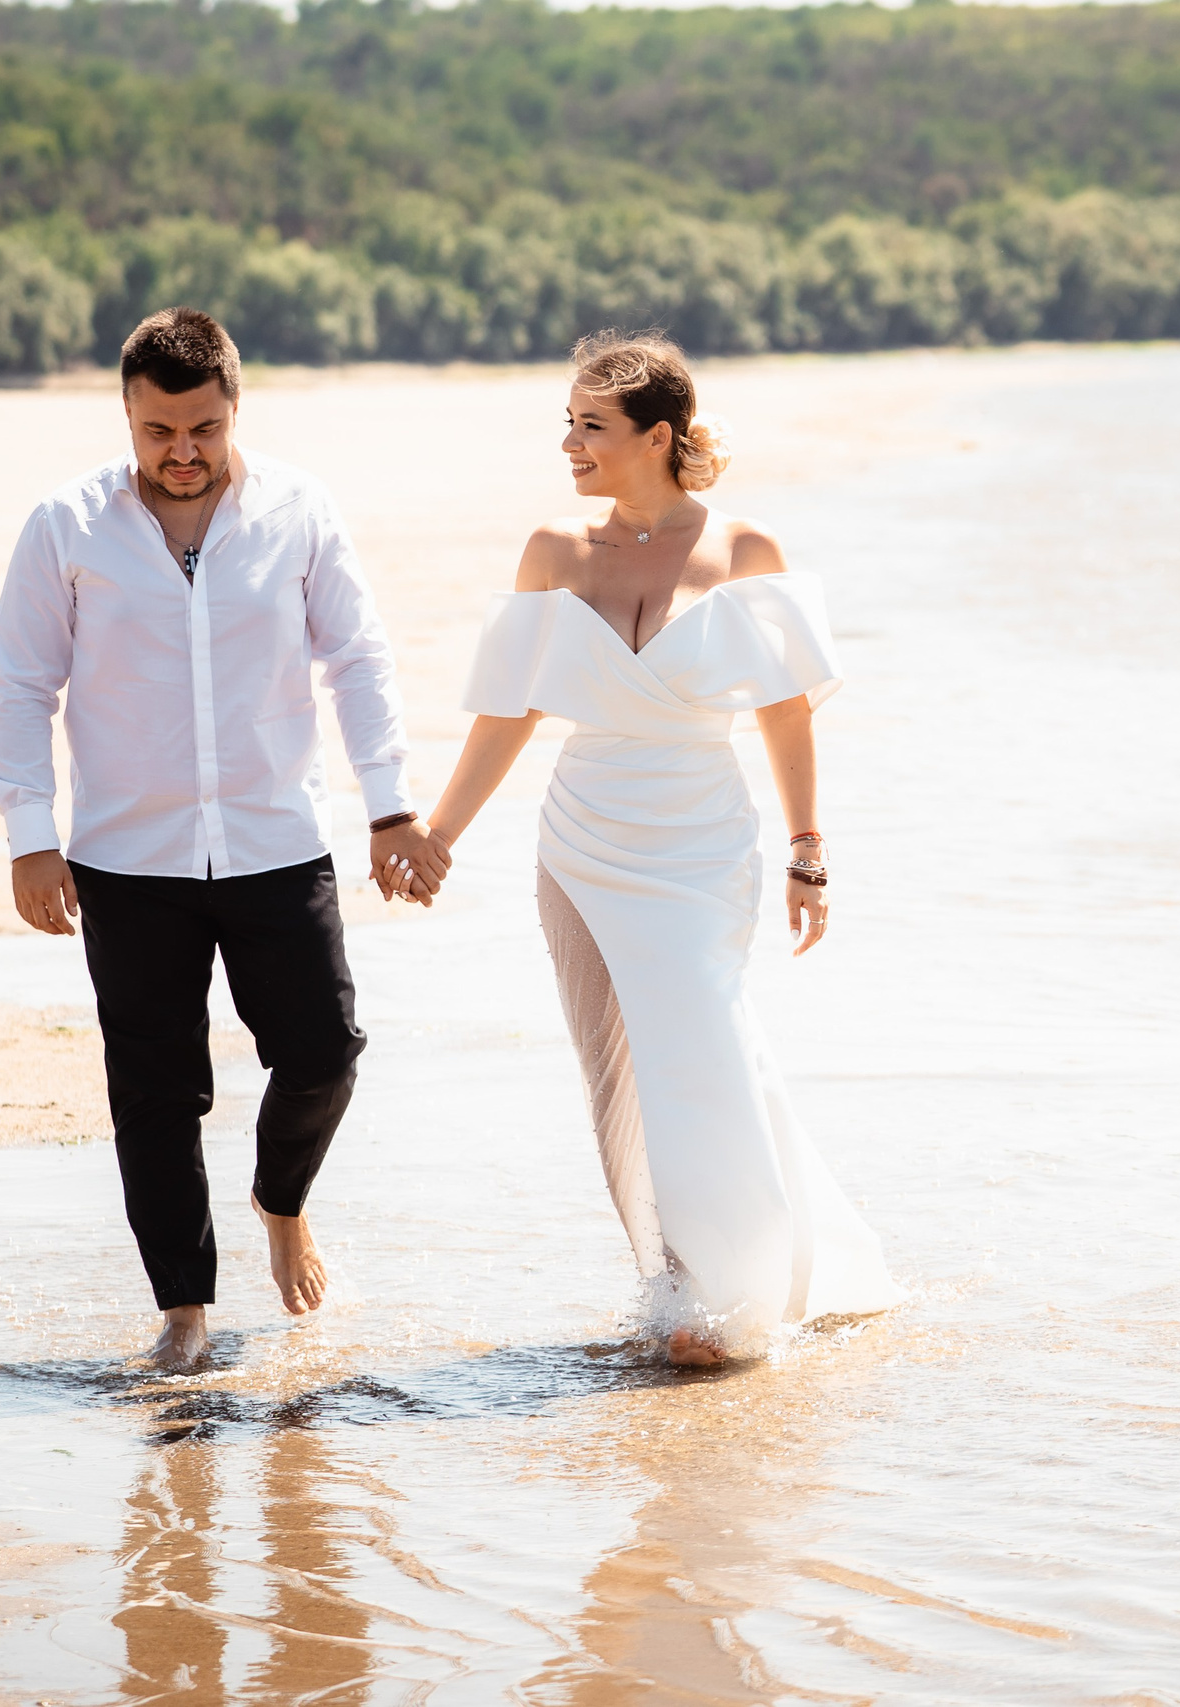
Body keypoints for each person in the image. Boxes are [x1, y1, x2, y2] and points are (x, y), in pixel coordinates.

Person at [0, 308, 448, 1373]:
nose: (180, 454)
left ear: (234, 407)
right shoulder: (66, 525)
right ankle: (184, 1311)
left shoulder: (298, 510)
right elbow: (20, 684)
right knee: (154, 1094)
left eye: (201, 428)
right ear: (128, 418)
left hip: (277, 837)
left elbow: (359, 660)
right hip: (124, 855)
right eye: (157, 432)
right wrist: (29, 834)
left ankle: (279, 1202)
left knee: (325, 1052)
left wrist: (389, 806)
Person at [425, 330, 900, 1365]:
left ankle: (733, 1302)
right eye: (567, 423)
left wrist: (808, 851)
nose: (568, 443)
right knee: (619, 1075)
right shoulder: (553, 549)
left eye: (589, 426)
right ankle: (677, 1280)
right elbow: (510, 711)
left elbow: (785, 714)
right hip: (584, 840)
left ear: (656, 435)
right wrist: (440, 832)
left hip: (697, 843)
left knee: (703, 1051)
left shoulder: (744, 551)